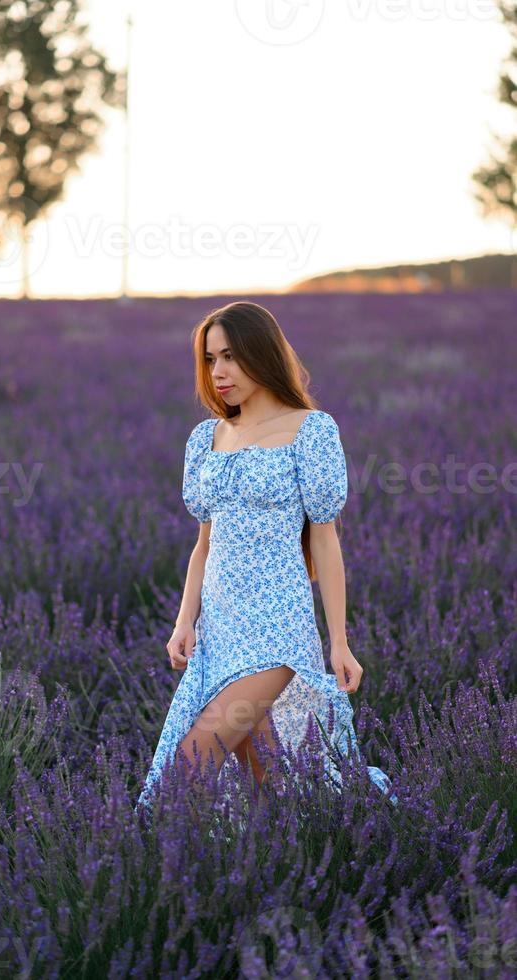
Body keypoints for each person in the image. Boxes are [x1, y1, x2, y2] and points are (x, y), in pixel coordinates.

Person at [135, 301, 396, 820]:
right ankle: (311, 858)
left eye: (230, 356)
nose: (219, 373)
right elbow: (204, 544)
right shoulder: (207, 438)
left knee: (193, 760)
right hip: (219, 629)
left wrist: (338, 642)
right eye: (210, 360)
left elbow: (325, 540)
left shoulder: (310, 429)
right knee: (268, 778)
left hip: (278, 627)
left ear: (261, 352)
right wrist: (184, 620)